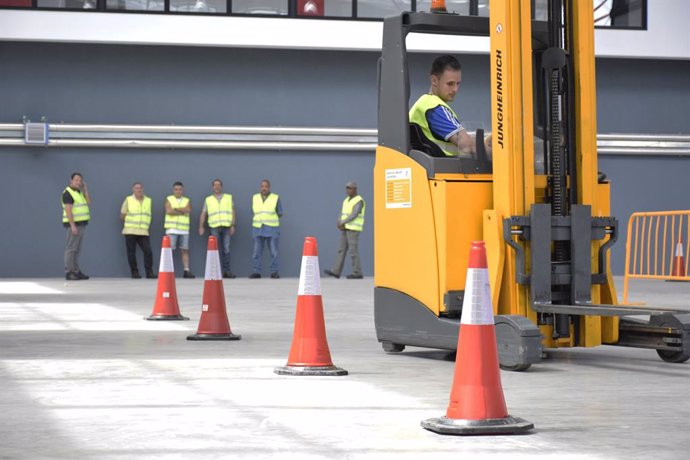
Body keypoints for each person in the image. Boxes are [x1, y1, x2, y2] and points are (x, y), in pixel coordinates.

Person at [409, 54, 491, 158]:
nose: (455, 89)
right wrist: (501, 152)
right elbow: (468, 146)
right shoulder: (435, 108)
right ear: (434, 80)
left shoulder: (423, 104)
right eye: (450, 84)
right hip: (446, 170)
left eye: (458, 83)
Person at [324, 181, 365, 280]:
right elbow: (342, 213)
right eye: (346, 188)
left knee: (353, 251)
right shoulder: (346, 200)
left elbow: (354, 214)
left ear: (355, 189)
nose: (347, 190)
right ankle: (336, 271)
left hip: (353, 229)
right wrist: (339, 222)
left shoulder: (359, 200)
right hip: (345, 228)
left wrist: (343, 222)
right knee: (341, 250)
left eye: (349, 188)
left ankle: (357, 272)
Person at [198, 179, 236, 279]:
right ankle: (214, 272)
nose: (217, 187)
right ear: (212, 187)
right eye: (215, 185)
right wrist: (201, 226)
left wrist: (233, 225)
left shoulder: (228, 197)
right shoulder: (208, 199)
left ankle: (226, 271)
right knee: (214, 250)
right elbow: (203, 213)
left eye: (219, 185)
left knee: (226, 249)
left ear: (221, 186)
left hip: (226, 227)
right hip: (214, 227)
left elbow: (233, 212)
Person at [120, 182, 156, 279]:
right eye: (136, 188)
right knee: (131, 253)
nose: (139, 190)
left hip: (143, 231)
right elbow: (122, 215)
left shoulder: (148, 200)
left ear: (143, 189)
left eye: (140, 188)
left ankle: (149, 272)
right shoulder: (128, 200)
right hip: (130, 230)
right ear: (133, 189)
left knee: (148, 251)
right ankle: (134, 272)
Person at [250, 179, 282, 279]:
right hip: (258, 227)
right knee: (256, 252)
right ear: (260, 187)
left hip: (271, 228)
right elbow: (253, 211)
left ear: (269, 187)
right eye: (262, 186)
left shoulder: (275, 198)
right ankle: (256, 272)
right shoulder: (255, 197)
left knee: (274, 252)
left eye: (266, 186)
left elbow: (280, 212)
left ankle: (274, 272)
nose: (264, 188)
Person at [62, 172, 91, 281]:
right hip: (74, 225)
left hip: (81, 224)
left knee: (77, 249)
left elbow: (88, 202)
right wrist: (72, 225)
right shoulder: (67, 193)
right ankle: (69, 272)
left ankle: (76, 271)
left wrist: (85, 190)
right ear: (71, 181)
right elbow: (68, 210)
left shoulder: (79, 192)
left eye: (80, 180)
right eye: (76, 180)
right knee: (71, 249)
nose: (79, 182)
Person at [164, 181, 195, 278]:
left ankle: (186, 271)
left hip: (184, 230)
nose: (178, 191)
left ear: (183, 190)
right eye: (176, 189)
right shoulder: (169, 199)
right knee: (170, 251)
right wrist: (182, 211)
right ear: (173, 190)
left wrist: (175, 209)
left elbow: (188, 210)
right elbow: (169, 211)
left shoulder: (187, 200)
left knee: (185, 250)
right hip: (171, 229)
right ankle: (167, 271)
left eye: (180, 189)